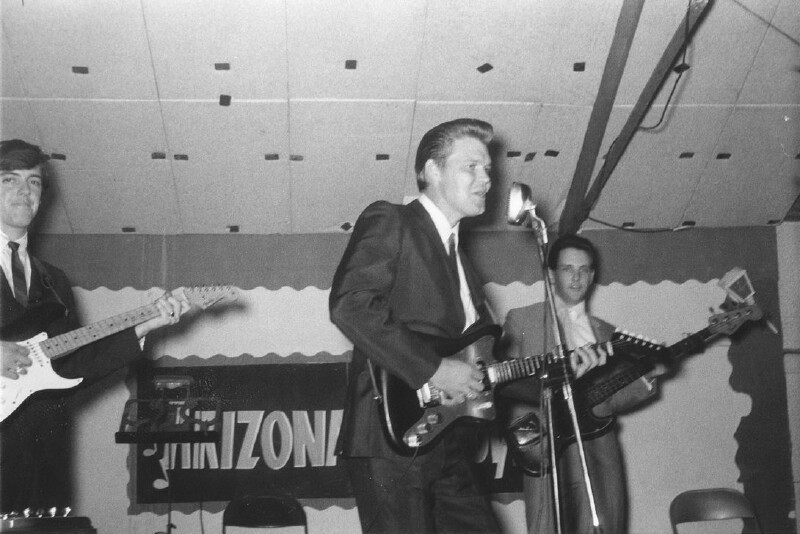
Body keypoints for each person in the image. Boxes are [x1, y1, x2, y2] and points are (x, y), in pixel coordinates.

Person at [329, 118, 505, 533]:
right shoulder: (392, 220)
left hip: (448, 441)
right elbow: (350, 305)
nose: (486, 180)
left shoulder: (464, 265)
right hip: (389, 437)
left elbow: (479, 361)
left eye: (489, 171)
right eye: (471, 167)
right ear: (431, 171)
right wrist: (436, 370)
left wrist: (560, 372)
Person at [0, 139, 190, 514]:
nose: (25, 191)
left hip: (42, 462)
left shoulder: (54, 280)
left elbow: (72, 367)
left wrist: (142, 326)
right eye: (10, 179)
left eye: (34, 182)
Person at [501, 233, 661, 534]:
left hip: (598, 446)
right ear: (550, 275)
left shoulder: (608, 333)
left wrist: (648, 376)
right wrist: (531, 435)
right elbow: (506, 386)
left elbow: (611, 398)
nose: (577, 277)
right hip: (546, 445)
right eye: (567, 269)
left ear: (593, 276)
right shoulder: (521, 321)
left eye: (584, 269)